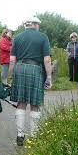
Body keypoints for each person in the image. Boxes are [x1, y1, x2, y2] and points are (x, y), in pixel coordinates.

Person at [9, 16, 52, 146]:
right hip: (35, 69)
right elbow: (47, 60)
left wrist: (10, 76)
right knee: (35, 103)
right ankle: (34, 136)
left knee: (21, 102)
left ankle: (20, 135)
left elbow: (12, 60)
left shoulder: (17, 37)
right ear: (35, 25)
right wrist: (49, 77)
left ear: (26, 25)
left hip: (20, 68)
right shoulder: (43, 37)